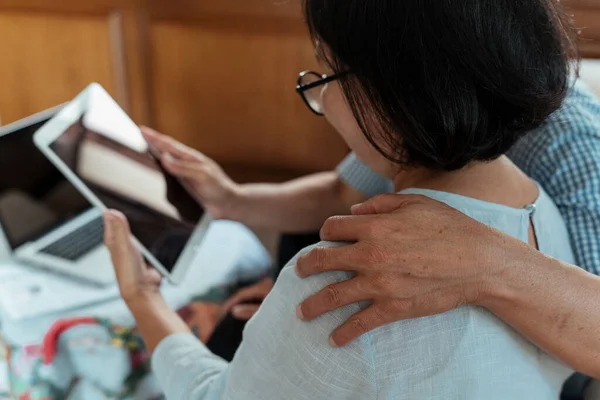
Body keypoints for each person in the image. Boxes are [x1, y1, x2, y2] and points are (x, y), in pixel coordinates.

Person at [103, 0, 586, 398]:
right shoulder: (538, 208)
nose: (322, 97)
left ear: (391, 101)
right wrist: (230, 198)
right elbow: (340, 189)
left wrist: (143, 300)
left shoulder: (342, 283)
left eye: (324, 73)